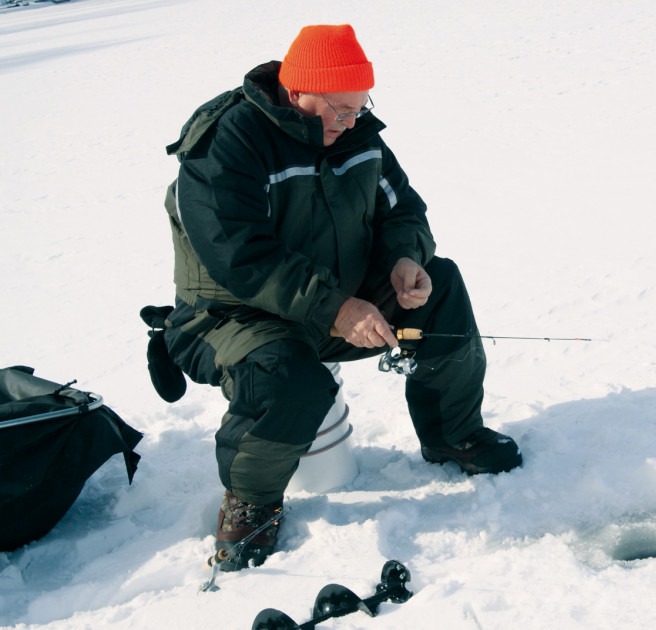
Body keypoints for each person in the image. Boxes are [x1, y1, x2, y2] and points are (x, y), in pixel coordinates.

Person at [157, 24, 522, 572]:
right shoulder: (228, 142)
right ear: (296, 89)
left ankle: (453, 436)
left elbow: (404, 211)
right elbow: (239, 256)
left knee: (439, 286)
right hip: (234, 315)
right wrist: (336, 309)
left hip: (338, 304)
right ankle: (251, 502)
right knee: (288, 379)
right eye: (337, 109)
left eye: (357, 108)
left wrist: (406, 259)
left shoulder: (359, 136)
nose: (347, 122)